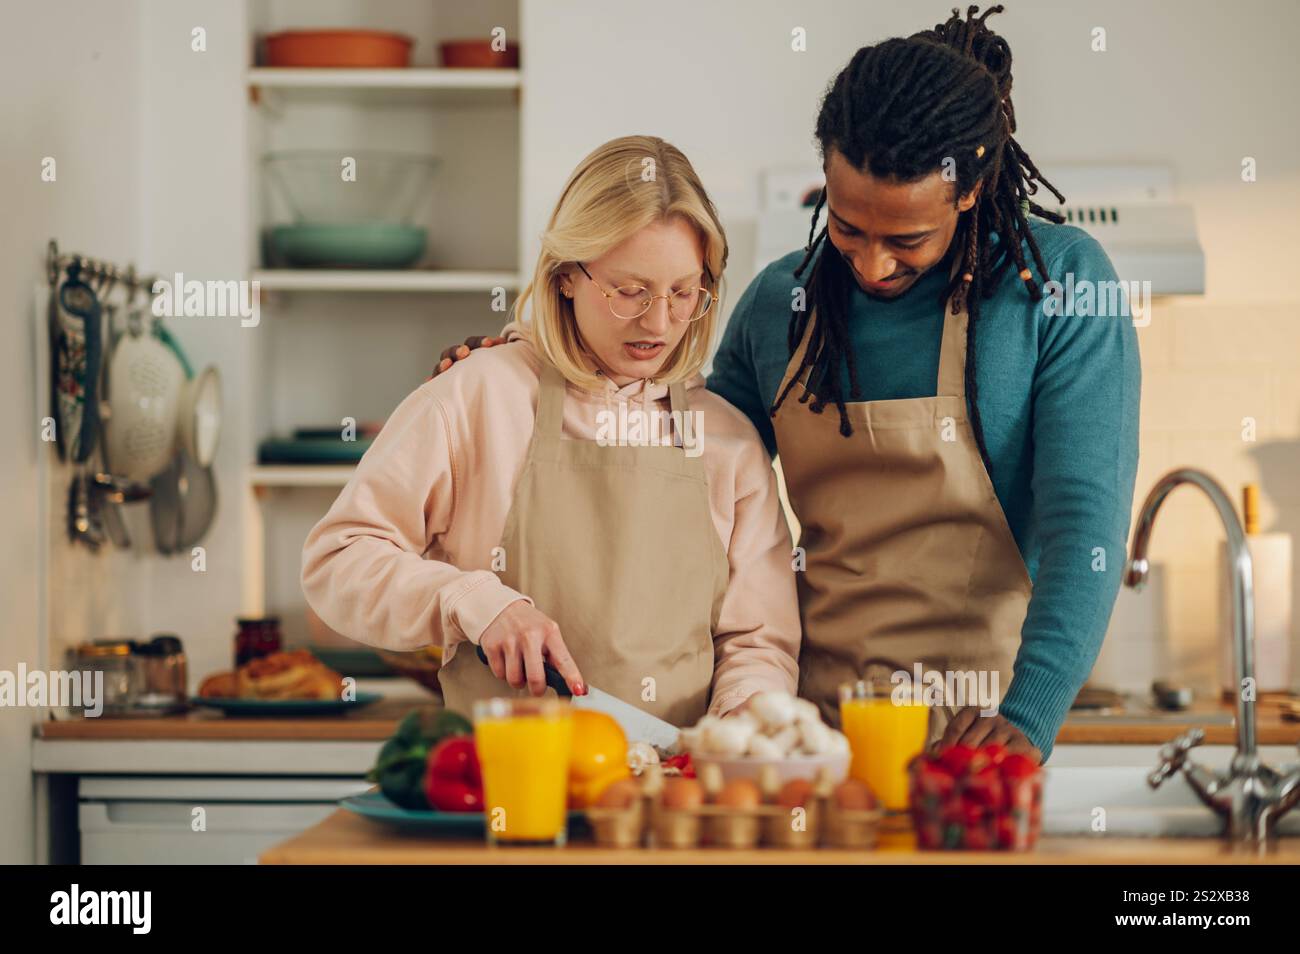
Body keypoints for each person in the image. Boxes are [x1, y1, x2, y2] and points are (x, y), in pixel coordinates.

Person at [438, 8, 1140, 763]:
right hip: (805, 734)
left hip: (978, 734)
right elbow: (675, 458)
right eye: (846, 226)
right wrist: (529, 370)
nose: (871, 266)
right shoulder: (783, 303)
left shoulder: (1056, 286)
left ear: (968, 189)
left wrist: (1027, 716)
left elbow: (1084, 528)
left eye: (907, 239)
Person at [302, 135, 800, 726]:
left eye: (683, 292)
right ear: (566, 275)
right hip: (507, 792)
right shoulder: (478, 395)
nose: (659, 321)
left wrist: (745, 721)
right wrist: (473, 601)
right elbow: (338, 559)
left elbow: (757, 643)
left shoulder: (729, 443)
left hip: (673, 800)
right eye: (629, 291)